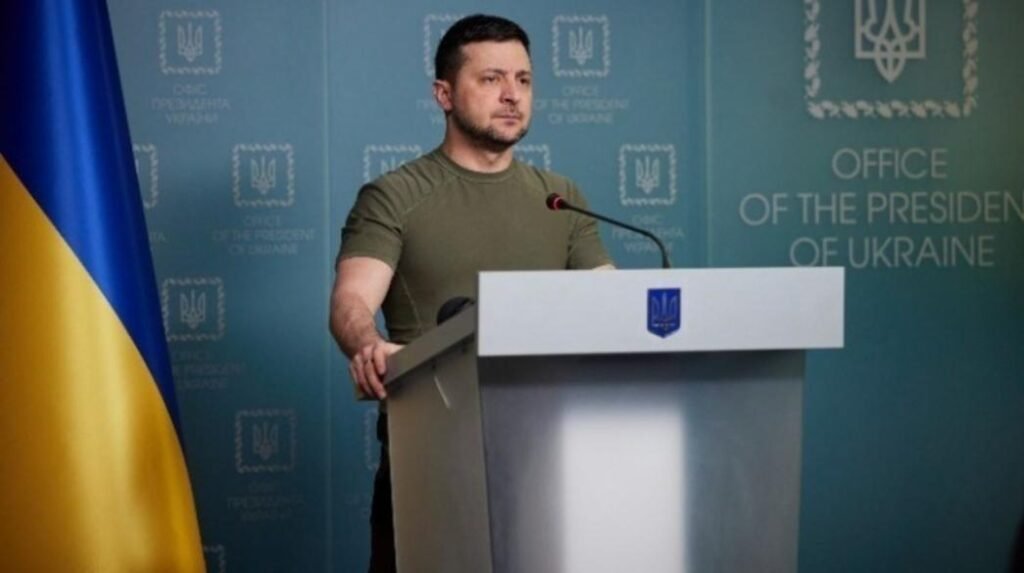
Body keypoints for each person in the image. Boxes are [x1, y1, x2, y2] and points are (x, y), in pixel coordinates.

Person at [329, 14, 613, 573]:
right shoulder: (394, 195)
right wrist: (366, 343)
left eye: (523, 80)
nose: (512, 95)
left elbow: (612, 307)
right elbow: (351, 303)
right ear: (444, 94)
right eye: (491, 79)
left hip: (553, 448)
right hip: (433, 448)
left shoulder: (560, 197)